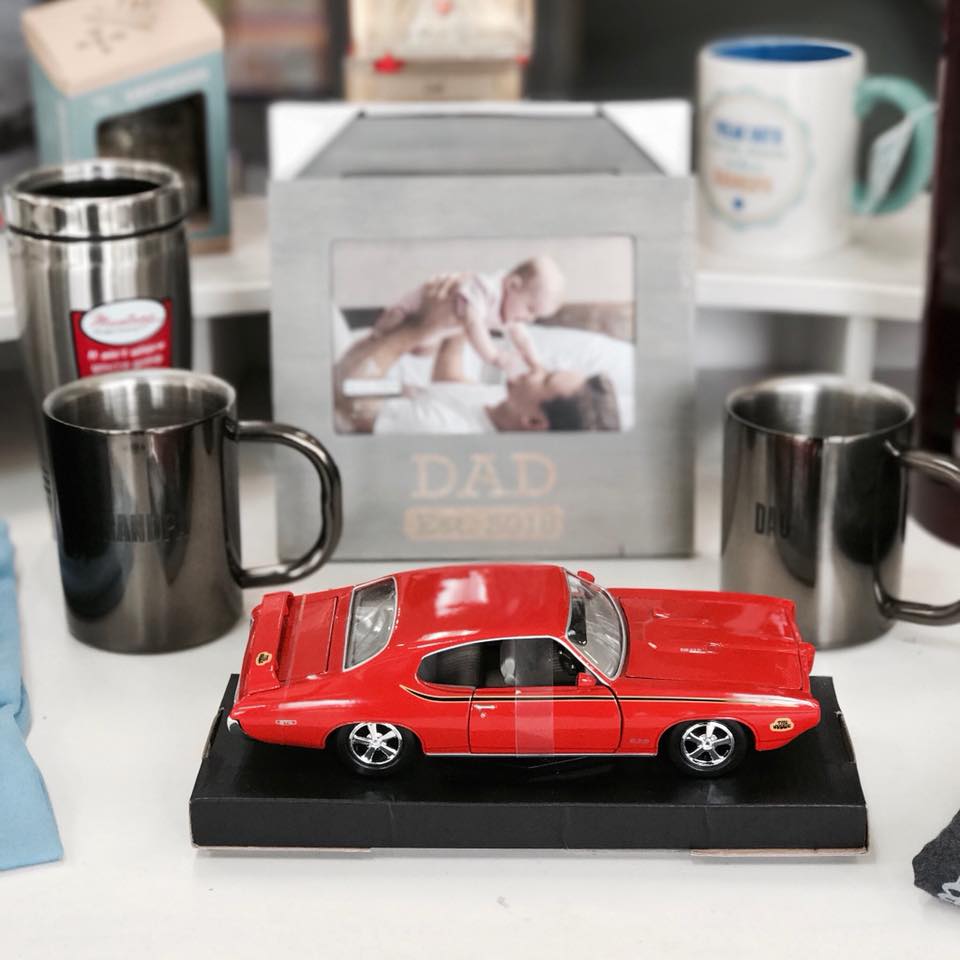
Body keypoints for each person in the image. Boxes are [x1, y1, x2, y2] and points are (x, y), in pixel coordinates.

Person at [335, 276, 619, 435]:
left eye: (545, 379)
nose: (537, 367)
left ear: (534, 422)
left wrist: (421, 327)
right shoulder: (501, 408)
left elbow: (343, 394)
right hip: (354, 365)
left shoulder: (445, 434)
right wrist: (464, 314)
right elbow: (449, 382)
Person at [370, 255, 566, 372]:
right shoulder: (485, 288)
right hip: (409, 309)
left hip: (430, 328)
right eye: (530, 309)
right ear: (513, 285)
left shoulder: (511, 307)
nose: (529, 318)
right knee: (385, 333)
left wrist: (535, 363)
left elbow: (523, 338)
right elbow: (473, 324)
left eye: (535, 316)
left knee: (422, 351)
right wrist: (493, 356)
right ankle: (375, 338)